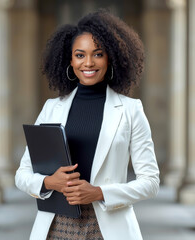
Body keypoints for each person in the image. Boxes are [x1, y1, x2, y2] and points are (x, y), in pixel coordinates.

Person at [15, 10, 160, 240]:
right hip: (56, 227)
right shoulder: (52, 108)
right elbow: (22, 174)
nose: (89, 63)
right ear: (70, 60)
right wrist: (49, 182)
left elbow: (151, 182)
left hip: (108, 229)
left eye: (98, 54)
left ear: (110, 57)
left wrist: (99, 192)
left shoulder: (131, 110)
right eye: (80, 55)